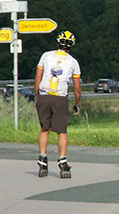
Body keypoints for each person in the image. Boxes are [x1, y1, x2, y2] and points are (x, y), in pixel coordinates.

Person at [34, 31, 82, 178]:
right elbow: (77, 87)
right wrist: (77, 103)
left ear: (57, 43)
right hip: (60, 97)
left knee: (44, 129)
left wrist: (37, 96)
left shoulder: (46, 56)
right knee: (62, 131)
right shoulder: (73, 62)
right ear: (71, 46)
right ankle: (62, 161)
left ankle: (42, 159)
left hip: (44, 95)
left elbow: (38, 77)